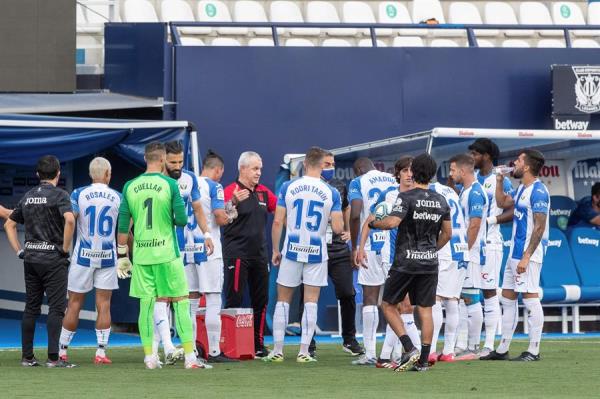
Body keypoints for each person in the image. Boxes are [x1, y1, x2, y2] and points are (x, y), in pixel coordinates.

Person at [116, 141, 209, 369]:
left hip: (143, 255)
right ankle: (189, 358)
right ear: (161, 160)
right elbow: (182, 219)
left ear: (146, 159)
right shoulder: (170, 184)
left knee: (146, 306)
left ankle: (150, 357)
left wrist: (121, 255)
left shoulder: (130, 186)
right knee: (180, 302)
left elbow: (122, 225)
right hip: (168, 254)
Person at [370, 153, 452, 372]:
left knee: (387, 305)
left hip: (405, 262)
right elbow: (448, 233)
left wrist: (375, 224)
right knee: (425, 310)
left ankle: (408, 348)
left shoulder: (406, 198)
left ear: (414, 172)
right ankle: (424, 360)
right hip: (429, 263)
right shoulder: (441, 200)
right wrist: (432, 249)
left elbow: (392, 223)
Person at [264, 147, 344, 363]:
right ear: (321, 165)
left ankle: (277, 351)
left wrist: (275, 249)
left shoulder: (289, 187)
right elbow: (338, 227)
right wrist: (331, 220)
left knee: (283, 300)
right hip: (317, 250)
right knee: (311, 300)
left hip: (291, 248)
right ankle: (304, 352)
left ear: (305, 164)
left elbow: (278, 221)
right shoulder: (331, 192)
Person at [4, 155, 76, 368]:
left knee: (31, 308)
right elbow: (70, 220)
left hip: (31, 259)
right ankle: (53, 359)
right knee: (56, 308)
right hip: (54, 260)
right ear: (58, 174)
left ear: (37, 175)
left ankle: (27, 357)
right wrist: (64, 248)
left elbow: (9, 224)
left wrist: (19, 251)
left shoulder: (27, 196)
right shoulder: (60, 195)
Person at [481, 149, 549, 362]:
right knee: (508, 299)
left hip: (529, 254)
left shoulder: (539, 191)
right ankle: (502, 349)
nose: (514, 163)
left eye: (519, 161)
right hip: (515, 253)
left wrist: (527, 256)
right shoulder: (522, 188)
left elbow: (539, 227)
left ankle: (534, 350)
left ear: (527, 166)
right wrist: (499, 180)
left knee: (530, 298)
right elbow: (502, 204)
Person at [156, 141, 215, 365]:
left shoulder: (189, 179)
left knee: (183, 299)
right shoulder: (154, 181)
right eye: (173, 162)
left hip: (181, 248)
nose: (178, 165)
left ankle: (182, 352)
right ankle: (156, 352)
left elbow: (198, 208)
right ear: (162, 160)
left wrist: (207, 234)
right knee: (161, 299)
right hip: (159, 247)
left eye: (181, 161)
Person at [58, 157, 121, 365]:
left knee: (74, 303)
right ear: (107, 174)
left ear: (91, 174)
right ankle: (101, 353)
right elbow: (123, 229)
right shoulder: (117, 196)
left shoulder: (78, 193)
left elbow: (70, 220)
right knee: (104, 304)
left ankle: (62, 351)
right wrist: (126, 252)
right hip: (108, 256)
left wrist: (64, 247)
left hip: (83, 256)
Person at [357, 156, 416, 369]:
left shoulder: (420, 194)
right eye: (405, 170)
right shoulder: (390, 195)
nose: (409, 174)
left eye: (412, 171)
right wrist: (360, 247)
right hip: (393, 258)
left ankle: (386, 357)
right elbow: (369, 221)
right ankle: (412, 354)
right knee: (403, 306)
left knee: (399, 307)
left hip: (413, 257)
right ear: (398, 173)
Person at [304, 151, 364, 357]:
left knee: (348, 293)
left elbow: (347, 208)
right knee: (310, 297)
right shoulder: (303, 186)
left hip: (337, 249)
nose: (330, 167)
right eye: (327, 164)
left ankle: (349, 339)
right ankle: (308, 342)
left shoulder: (338, 186)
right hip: (313, 249)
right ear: (316, 165)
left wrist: (348, 230)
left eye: (333, 164)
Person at [222, 151, 277, 358]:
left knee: (260, 300)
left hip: (260, 255)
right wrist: (233, 203)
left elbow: (279, 210)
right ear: (242, 169)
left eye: (260, 168)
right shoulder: (230, 190)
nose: (258, 173)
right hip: (236, 254)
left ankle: (258, 344)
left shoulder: (263, 192)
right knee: (234, 299)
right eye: (255, 168)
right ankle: (231, 344)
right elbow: (220, 217)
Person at [348, 157, 400, 366]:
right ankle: (394, 352)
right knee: (395, 301)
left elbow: (355, 214)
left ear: (359, 169)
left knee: (370, 298)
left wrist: (355, 246)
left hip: (371, 242)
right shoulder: (393, 180)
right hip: (394, 242)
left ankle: (369, 352)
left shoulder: (359, 181)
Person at [469, 138, 514, 356]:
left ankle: (489, 344)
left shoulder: (501, 179)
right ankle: (470, 344)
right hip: (474, 245)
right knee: (467, 292)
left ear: (486, 156)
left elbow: (514, 210)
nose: (472, 157)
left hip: (491, 244)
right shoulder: (473, 179)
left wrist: (492, 221)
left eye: (475, 154)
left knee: (489, 292)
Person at [197, 150, 238, 362]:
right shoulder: (215, 186)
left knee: (189, 301)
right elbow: (220, 218)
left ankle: (191, 350)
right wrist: (231, 212)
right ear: (218, 170)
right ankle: (214, 351)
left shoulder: (186, 183)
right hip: (210, 250)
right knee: (213, 298)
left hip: (188, 249)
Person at [448, 154, 489, 360]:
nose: (451, 174)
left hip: (471, 253)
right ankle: (462, 343)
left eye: (453, 170)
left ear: (463, 171)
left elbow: (474, 225)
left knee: (471, 298)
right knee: (463, 298)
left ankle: (473, 346)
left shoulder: (475, 192)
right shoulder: (465, 190)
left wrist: (465, 249)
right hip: (465, 252)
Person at [428, 180, 469, 363]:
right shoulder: (450, 191)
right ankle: (448, 351)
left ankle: (431, 349)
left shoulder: (430, 192)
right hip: (461, 249)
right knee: (452, 299)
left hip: (445, 250)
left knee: (435, 299)